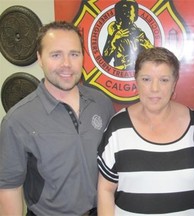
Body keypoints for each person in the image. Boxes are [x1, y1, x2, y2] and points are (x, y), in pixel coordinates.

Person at [0, 21, 115, 215]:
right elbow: (9, 187)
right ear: (40, 58)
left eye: (74, 54)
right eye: (56, 55)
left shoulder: (101, 103)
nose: (66, 64)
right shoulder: (17, 120)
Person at [97, 47, 194, 215]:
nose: (154, 88)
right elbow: (105, 190)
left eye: (164, 80)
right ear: (136, 81)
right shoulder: (118, 127)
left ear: (174, 84)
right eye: (146, 79)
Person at [102, 0, 153, 70]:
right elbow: (105, 59)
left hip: (136, 72)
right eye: (124, 12)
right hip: (119, 72)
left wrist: (146, 45)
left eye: (130, 12)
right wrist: (114, 39)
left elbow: (154, 57)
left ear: (135, 15)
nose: (126, 14)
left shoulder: (140, 34)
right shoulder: (114, 33)